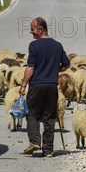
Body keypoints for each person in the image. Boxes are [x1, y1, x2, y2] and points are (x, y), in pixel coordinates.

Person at [19, 17, 70, 157]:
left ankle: (35, 141)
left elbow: (30, 68)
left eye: (33, 29)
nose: (31, 32)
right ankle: (48, 150)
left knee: (32, 114)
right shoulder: (58, 45)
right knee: (49, 117)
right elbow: (67, 64)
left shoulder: (34, 46)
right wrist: (55, 69)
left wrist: (23, 84)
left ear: (41, 30)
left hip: (36, 86)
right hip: (52, 87)